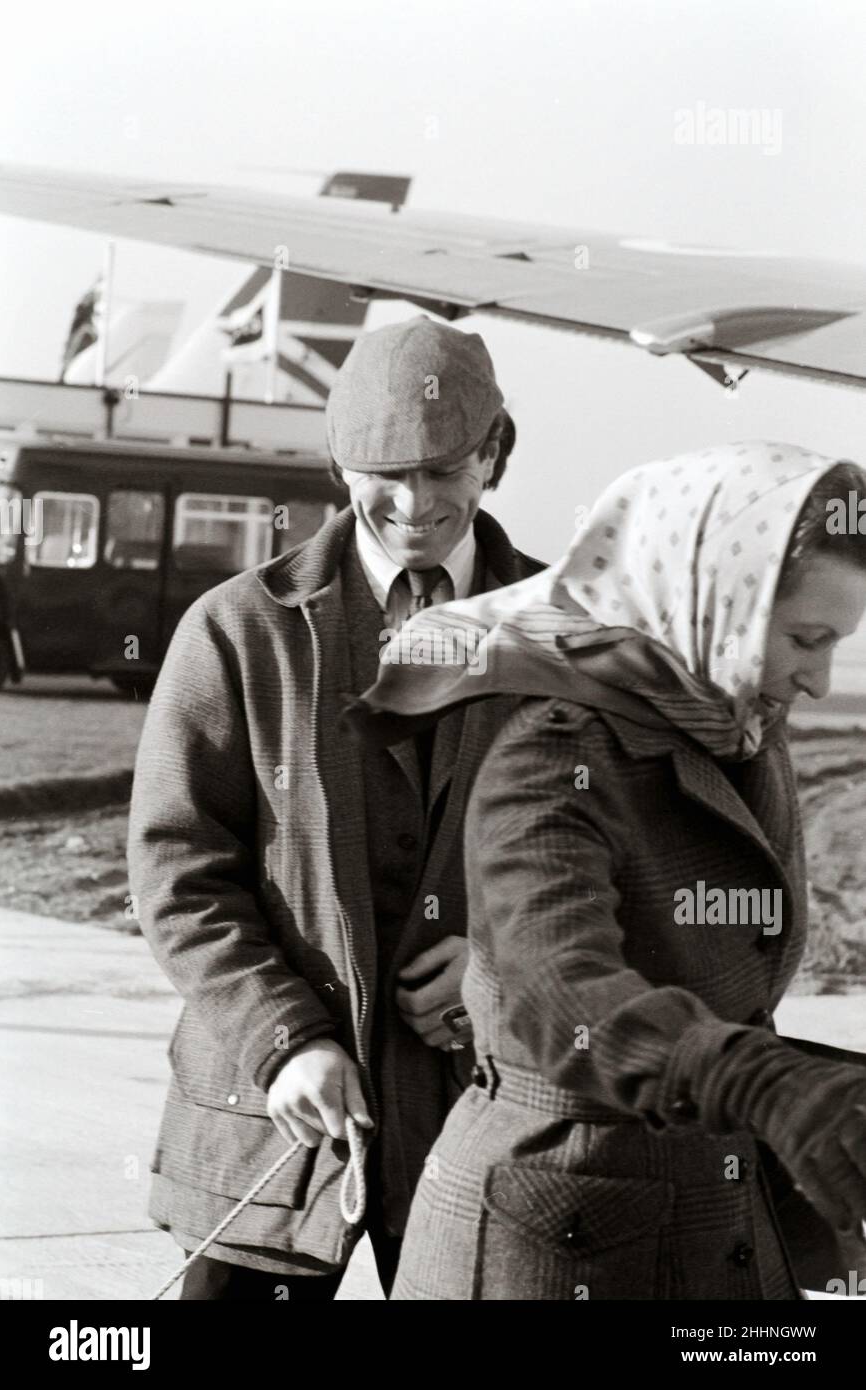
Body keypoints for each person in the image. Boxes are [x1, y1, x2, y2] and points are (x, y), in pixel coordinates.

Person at [351, 440, 866, 1300]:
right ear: (714, 602)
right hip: (554, 1242)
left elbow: (724, 1003)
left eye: (835, 645)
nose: (817, 679)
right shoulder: (553, 755)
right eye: (805, 639)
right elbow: (563, 994)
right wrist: (764, 1082)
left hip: (716, 1224)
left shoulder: (736, 725)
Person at [127, 314, 544, 1299]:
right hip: (274, 1115)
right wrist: (282, 1039)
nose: (414, 501)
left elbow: (632, 870)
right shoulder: (233, 634)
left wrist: (503, 973)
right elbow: (175, 868)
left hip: (493, 1118)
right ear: (336, 463)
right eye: (383, 471)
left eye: (445, 468)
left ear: (495, 453)